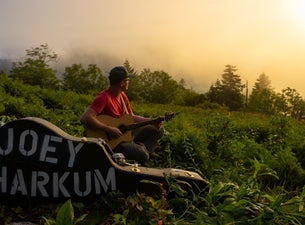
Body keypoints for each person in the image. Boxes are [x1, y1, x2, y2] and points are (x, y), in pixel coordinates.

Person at [80, 66, 163, 164]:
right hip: (112, 140)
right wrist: (109, 129)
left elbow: (131, 117)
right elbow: (85, 118)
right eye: (128, 80)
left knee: (158, 130)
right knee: (143, 155)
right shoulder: (104, 97)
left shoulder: (122, 96)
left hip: (124, 132)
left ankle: (136, 147)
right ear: (122, 83)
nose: (129, 82)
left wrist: (152, 121)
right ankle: (137, 151)